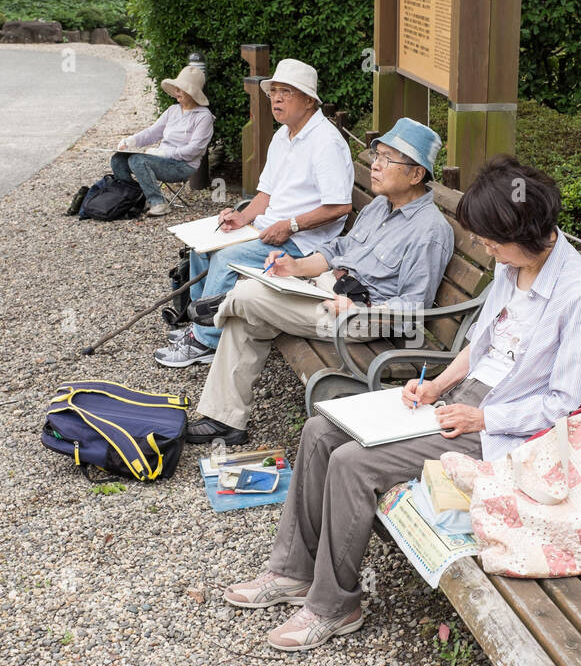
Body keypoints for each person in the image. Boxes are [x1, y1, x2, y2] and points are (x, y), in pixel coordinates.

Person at [223, 155, 581, 652]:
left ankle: (334, 605)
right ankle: (292, 572)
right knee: (320, 432)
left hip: (500, 428)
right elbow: (483, 344)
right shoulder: (511, 264)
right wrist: (437, 385)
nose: (487, 248)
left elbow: (563, 403)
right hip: (459, 402)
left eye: (494, 239)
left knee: (352, 464)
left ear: (531, 230)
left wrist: (483, 415)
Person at [185, 117, 453, 445]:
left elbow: (414, 306)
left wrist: (356, 310)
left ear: (416, 174)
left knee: (250, 295)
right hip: (328, 291)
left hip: (361, 318)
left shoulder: (430, 231)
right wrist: (295, 267)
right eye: (377, 155)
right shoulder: (381, 207)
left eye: (387, 159)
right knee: (247, 314)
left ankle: (218, 308)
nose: (376, 165)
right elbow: (337, 250)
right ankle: (224, 420)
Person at [154, 58, 352, 368]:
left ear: (309, 100)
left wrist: (292, 225)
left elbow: (341, 206)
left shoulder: (325, 142)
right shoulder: (282, 135)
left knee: (224, 257)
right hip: (270, 227)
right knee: (200, 247)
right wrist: (242, 217)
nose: (277, 98)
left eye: (286, 91)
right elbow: (267, 193)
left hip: (303, 242)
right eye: (274, 91)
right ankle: (198, 327)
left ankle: (207, 341)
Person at [112, 65, 214, 217]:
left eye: (180, 89)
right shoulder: (172, 110)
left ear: (192, 92)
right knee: (118, 159)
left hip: (183, 165)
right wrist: (131, 141)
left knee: (138, 160)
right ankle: (135, 198)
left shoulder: (203, 117)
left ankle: (158, 202)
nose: (176, 93)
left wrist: (165, 154)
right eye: (176, 89)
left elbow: (195, 150)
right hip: (162, 159)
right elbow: (152, 133)